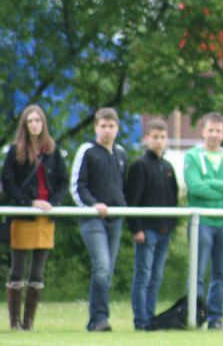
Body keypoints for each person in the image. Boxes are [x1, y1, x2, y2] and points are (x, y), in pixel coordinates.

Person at [2, 104, 68, 331]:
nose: (34, 124)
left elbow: (63, 181)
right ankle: (15, 322)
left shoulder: (53, 150)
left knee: (38, 272)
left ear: (43, 123)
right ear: (24, 125)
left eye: (37, 120)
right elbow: (8, 182)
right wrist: (29, 202)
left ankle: (29, 322)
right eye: (30, 121)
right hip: (23, 216)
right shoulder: (15, 151)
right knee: (18, 269)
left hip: (46, 217)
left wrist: (53, 203)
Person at [183, 112, 223, 330]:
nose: (214, 135)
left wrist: (209, 182)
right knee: (197, 273)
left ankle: (215, 319)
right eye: (210, 130)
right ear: (203, 131)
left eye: (218, 131)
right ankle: (195, 317)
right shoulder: (192, 156)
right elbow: (195, 187)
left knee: (220, 274)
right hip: (201, 222)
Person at [70, 107, 128, 332]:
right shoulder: (87, 151)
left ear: (117, 128)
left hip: (115, 219)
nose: (107, 130)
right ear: (96, 127)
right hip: (92, 219)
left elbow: (122, 186)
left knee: (108, 271)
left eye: (111, 126)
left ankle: (97, 319)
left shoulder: (121, 154)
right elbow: (78, 186)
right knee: (102, 267)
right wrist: (93, 205)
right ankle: (99, 319)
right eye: (103, 126)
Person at [126, 118, 178, 330]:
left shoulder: (168, 167)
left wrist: (171, 226)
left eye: (163, 137)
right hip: (146, 230)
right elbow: (132, 200)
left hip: (164, 230)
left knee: (156, 277)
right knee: (143, 275)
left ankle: (150, 317)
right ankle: (141, 320)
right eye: (155, 137)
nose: (159, 141)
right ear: (146, 138)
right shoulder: (139, 166)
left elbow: (173, 198)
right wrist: (136, 228)